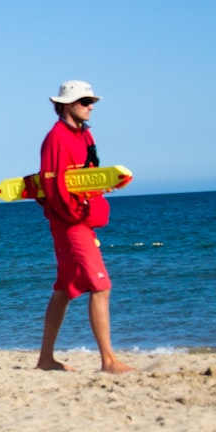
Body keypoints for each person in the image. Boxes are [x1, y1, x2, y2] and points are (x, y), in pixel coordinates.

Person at [35, 80, 133, 374]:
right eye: (84, 101)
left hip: (82, 221)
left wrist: (103, 185)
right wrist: (76, 216)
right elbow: (53, 187)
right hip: (70, 223)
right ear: (66, 105)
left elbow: (84, 177)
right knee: (101, 286)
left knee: (65, 288)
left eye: (91, 101)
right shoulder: (56, 138)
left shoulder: (85, 136)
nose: (90, 106)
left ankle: (45, 360)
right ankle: (108, 361)